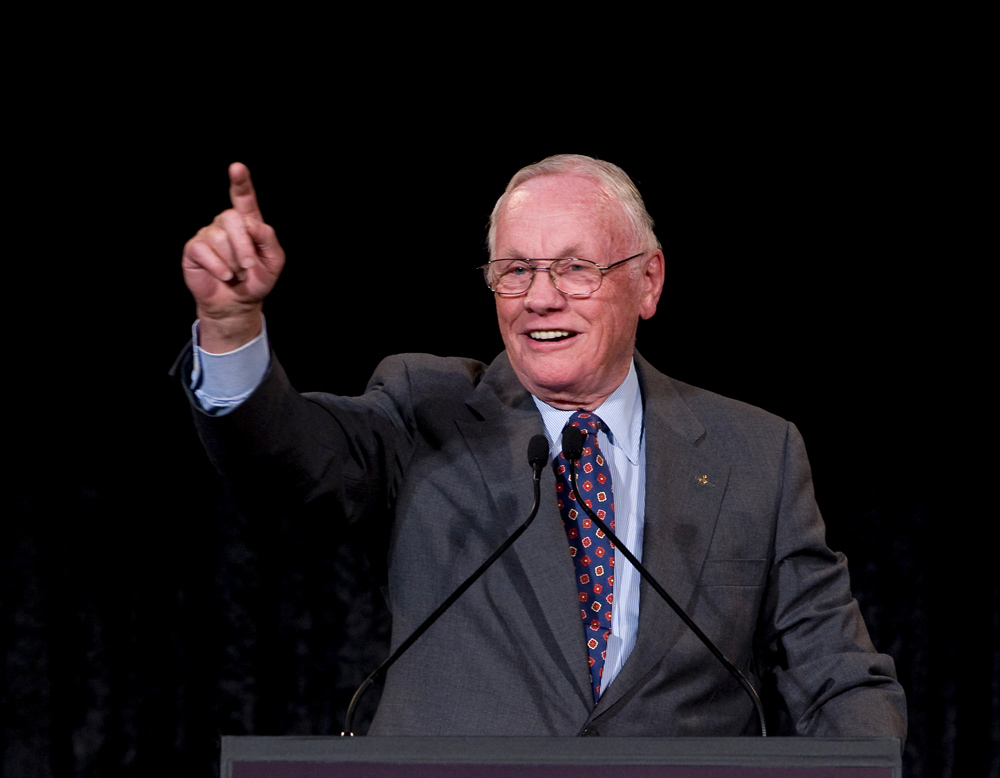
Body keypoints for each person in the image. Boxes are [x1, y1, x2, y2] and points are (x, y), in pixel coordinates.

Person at [178, 156, 905, 740]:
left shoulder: (757, 454)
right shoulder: (424, 413)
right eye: (516, 270)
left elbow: (835, 673)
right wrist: (233, 327)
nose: (540, 297)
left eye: (574, 268)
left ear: (647, 281)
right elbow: (289, 456)